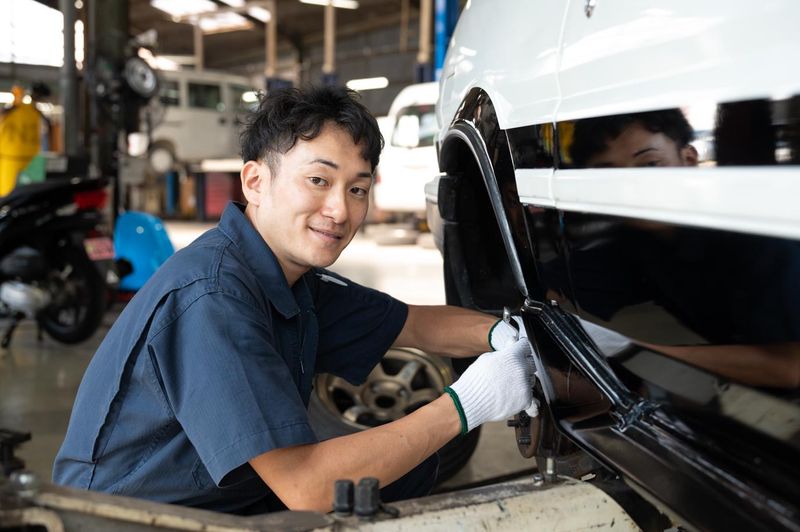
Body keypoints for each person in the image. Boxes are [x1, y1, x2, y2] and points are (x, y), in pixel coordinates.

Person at [53, 86, 537, 514]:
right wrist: (469, 403)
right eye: (318, 181)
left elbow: (413, 324)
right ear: (255, 182)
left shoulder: (289, 277)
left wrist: (512, 335)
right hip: (129, 519)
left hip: (218, 500)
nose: (340, 210)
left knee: (400, 469)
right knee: (364, 475)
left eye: (357, 189)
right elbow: (307, 487)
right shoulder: (214, 297)